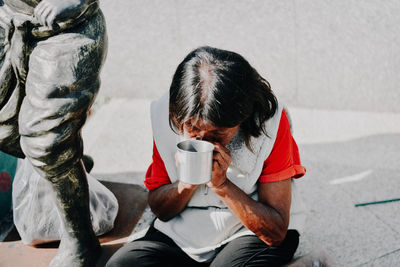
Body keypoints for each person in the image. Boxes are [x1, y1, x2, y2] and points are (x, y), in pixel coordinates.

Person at [107, 46, 306, 267]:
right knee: (123, 264)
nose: (201, 142)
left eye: (217, 134)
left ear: (242, 118)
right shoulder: (166, 113)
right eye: (191, 128)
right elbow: (161, 212)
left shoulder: (270, 123)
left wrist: (222, 186)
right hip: (183, 232)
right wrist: (186, 183)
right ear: (176, 112)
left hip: (246, 232)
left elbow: (275, 231)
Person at [0, 0, 107, 266]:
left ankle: (81, 239)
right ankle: (69, 167)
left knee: (47, 142)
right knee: (6, 131)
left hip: (66, 28)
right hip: (9, 19)